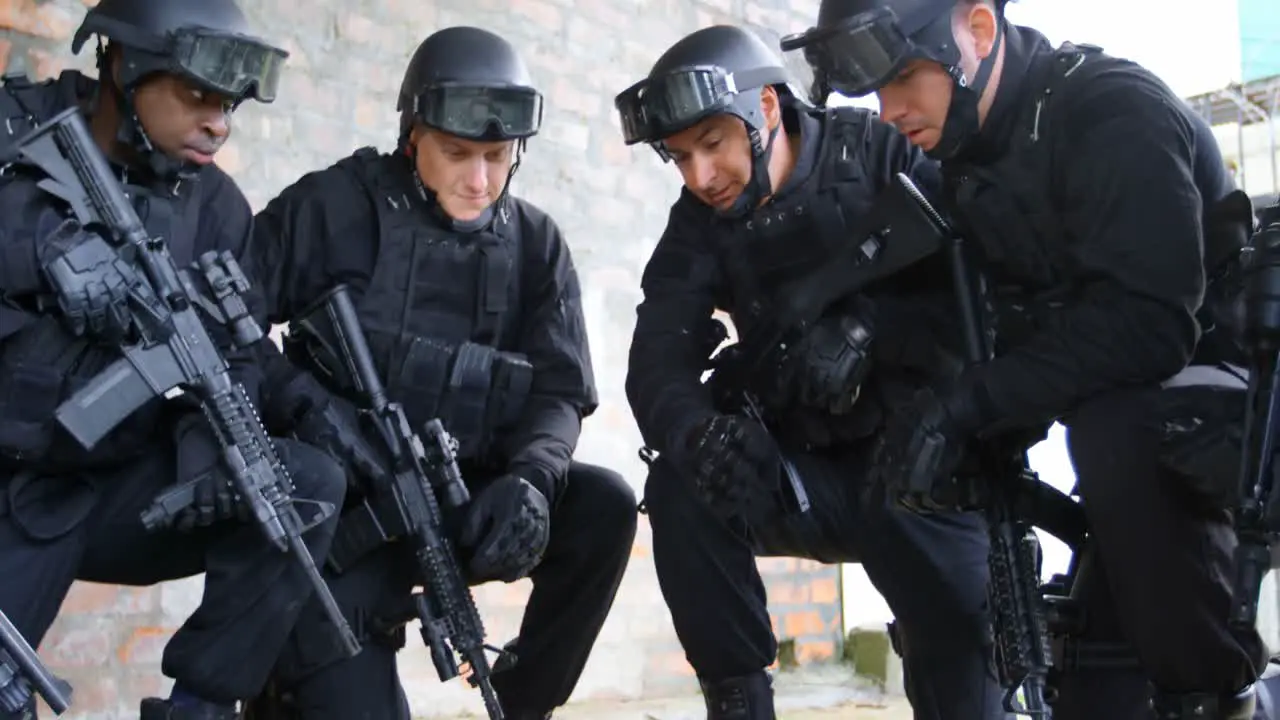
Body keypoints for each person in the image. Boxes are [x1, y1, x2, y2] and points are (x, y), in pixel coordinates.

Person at [782, 1, 1267, 718]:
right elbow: (991, 329)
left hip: (1218, 403)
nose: (889, 111)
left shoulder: (1110, 111)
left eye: (905, 78)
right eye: (876, 91)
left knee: (1113, 428)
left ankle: (1217, 696)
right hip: (1116, 416)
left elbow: (1151, 328)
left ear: (978, 30)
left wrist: (973, 404)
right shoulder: (970, 162)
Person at [240, 26, 638, 720]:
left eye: (497, 155)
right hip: (348, 522)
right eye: (457, 153)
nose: (479, 179)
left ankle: (521, 707)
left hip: (462, 504)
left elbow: (560, 389)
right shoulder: (337, 207)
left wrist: (532, 480)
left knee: (602, 505)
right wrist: (301, 404)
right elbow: (228, 320)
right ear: (412, 134)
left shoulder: (535, 243)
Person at [617, 24, 1009, 720]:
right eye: (679, 158)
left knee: (968, 687)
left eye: (713, 145)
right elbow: (655, 358)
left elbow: (986, 288)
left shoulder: (879, 152)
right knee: (680, 484)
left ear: (765, 108)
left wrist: (869, 330)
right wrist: (695, 433)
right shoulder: (700, 222)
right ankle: (738, 701)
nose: (699, 177)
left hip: (923, 471)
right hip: (808, 479)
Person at [0, 0, 347, 718]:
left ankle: (200, 710)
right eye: (197, 95)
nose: (219, 123)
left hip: (111, 484)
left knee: (300, 485)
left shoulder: (216, 209)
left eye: (230, 105)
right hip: (8, 486)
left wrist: (209, 460)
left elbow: (233, 358)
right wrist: (41, 247)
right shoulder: (14, 127)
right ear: (124, 65)